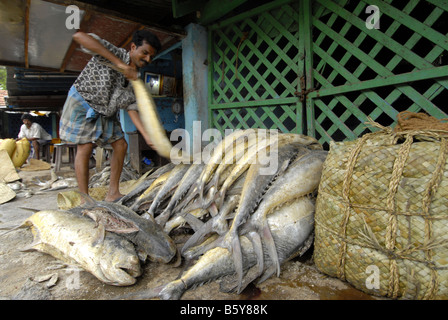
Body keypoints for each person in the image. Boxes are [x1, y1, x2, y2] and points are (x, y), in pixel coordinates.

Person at [59, 30, 161, 202]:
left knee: (121, 145)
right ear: (133, 47)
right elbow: (79, 36)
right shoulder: (113, 53)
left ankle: (113, 192)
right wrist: (121, 65)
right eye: (145, 53)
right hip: (84, 102)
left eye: (151, 56)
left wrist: (147, 136)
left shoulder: (134, 79)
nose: (148, 59)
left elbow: (131, 108)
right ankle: (85, 198)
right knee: (85, 147)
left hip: (106, 110)